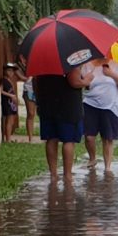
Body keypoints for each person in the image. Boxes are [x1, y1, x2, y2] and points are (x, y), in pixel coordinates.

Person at [31, 56, 88, 185]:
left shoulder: (42, 60)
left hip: (47, 104)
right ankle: (67, 175)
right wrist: (87, 80)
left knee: (51, 138)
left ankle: (53, 175)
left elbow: (35, 81)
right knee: (68, 140)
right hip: (68, 106)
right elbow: (74, 82)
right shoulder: (70, 58)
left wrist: (40, 99)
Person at [81, 56, 118, 171]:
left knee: (108, 138)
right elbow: (82, 85)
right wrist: (86, 80)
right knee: (89, 137)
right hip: (90, 104)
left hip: (111, 106)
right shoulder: (87, 66)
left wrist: (112, 74)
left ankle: (108, 167)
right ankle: (92, 158)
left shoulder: (115, 66)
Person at [0, 60, 23, 143]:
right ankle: (8, 139)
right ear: (5, 71)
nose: (11, 72)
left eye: (12, 71)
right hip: (7, 102)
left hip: (12, 103)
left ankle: (9, 137)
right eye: (9, 70)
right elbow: (1, 91)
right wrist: (11, 96)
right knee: (9, 120)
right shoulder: (3, 80)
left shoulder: (10, 81)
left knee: (12, 120)